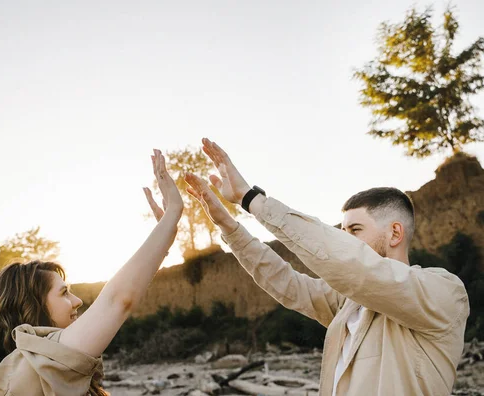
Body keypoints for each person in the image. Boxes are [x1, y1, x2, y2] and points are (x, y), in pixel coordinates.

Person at [184, 138, 469, 396]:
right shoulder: (348, 303)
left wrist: (251, 199)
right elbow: (287, 282)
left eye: (355, 230)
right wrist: (229, 228)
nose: (345, 240)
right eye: (341, 231)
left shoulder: (445, 293)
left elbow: (349, 262)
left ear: (395, 233)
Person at [0, 149, 183, 396]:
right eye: (64, 293)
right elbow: (117, 300)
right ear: (30, 305)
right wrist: (173, 214)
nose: (78, 301)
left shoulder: (24, 366)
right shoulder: (32, 365)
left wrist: (165, 238)